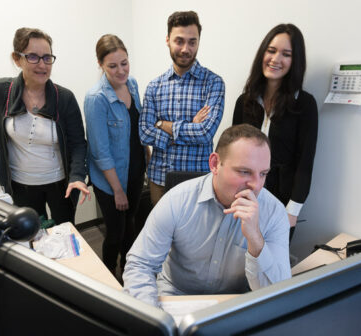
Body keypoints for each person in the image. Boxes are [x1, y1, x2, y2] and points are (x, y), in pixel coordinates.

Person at [123, 124, 291, 307]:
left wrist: (255, 239)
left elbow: (278, 293)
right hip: (177, 296)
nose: (256, 185)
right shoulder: (177, 200)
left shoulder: (274, 212)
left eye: (263, 174)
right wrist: (152, 319)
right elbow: (140, 265)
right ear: (214, 164)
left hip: (235, 303)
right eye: (244, 172)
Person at [0, 27, 90, 225]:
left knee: (64, 234)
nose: (42, 65)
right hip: (20, 186)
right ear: (17, 59)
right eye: (33, 57)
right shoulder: (0, 91)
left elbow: (78, 144)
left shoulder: (64, 98)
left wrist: (78, 176)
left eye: (47, 58)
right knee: (30, 237)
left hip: (60, 185)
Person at [232, 23, 318, 244]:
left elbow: (305, 163)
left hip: (282, 204)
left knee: (271, 269)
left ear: (295, 61)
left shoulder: (305, 104)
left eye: (286, 54)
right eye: (271, 50)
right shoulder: (245, 101)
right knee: (238, 266)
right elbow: (231, 154)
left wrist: (293, 211)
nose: (275, 59)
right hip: (244, 199)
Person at [139, 10, 225, 205]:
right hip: (160, 178)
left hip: (198, 180)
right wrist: (190, 126)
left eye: (192, 42)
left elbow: (205, 132)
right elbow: (144, 133)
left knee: (196, 235)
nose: (186, 48)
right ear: (168, 40)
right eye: (179, 41)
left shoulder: (213, 83)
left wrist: (161, 124)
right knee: (161, 234)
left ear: (198, 42)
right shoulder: (155, 86)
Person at [84, 34, 149, 277]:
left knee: (130, 225)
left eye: (124, 62)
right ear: (100, 64)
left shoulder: (132, 84)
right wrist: (117, 190)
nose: (120, 70)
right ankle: (109, 273)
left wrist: (147, 155)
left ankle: (128, 271)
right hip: (110, 179)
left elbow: (138, 126)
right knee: (115, 232)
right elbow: (100, 152)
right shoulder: (96, 99)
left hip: (134, 169)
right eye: (112, 66)